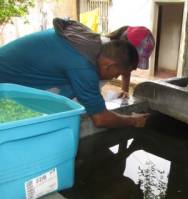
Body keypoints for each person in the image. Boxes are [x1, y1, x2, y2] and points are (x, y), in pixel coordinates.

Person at [0, 19, 150, 128]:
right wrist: (133, 120)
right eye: (118, 73)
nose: (116, 77)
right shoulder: (84, 67)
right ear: (109, 65)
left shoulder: (90, 43)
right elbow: (101, 119)